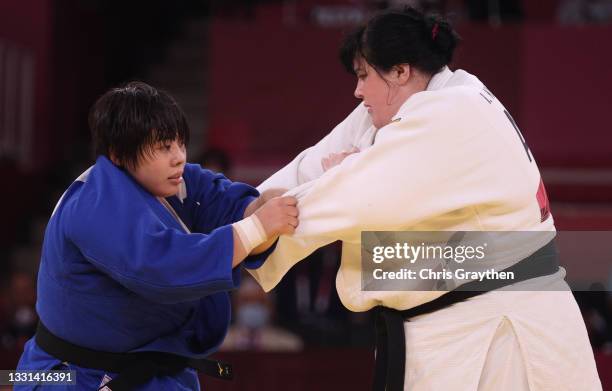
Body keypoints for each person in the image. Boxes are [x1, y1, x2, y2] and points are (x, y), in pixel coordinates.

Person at [247, 7, 602, 391]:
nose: (357, 90)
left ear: (401, 71)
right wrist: (240, 206)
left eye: (365, 76)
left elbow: (350, 197)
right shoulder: (415, 101)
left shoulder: (452, 110)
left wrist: (246, 234)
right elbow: (311, 166)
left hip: (503, 332)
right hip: (457, 327)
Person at [15, 81, 299, 391]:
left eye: (180, 143)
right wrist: (258, 227)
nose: (178, 157)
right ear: (118, 153)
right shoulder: (95, 204)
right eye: (164, 147)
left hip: (150, 372)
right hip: (71, 376)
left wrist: (260, 206)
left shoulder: (174, 182)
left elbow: (228, 206)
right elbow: (166, 267)